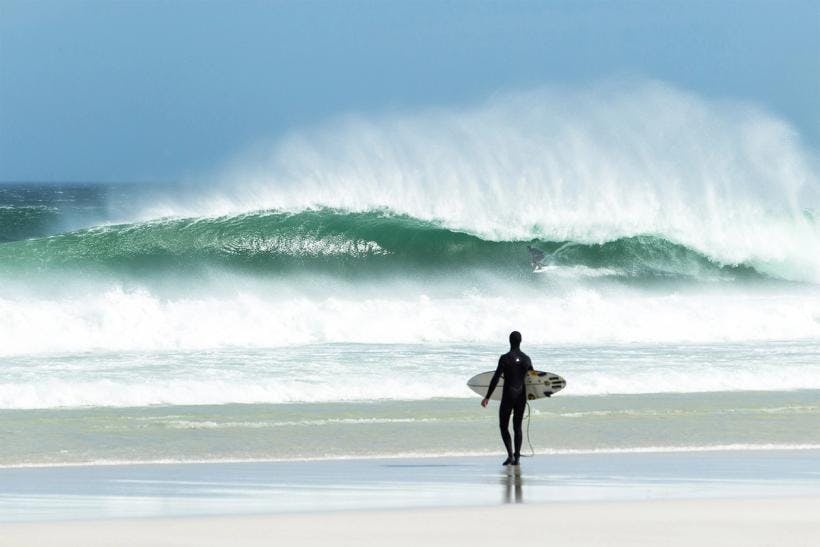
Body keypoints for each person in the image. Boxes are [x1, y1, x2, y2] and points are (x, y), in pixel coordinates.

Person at [482, 331, 533, 466]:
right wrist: (544, 393)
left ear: (509, 341)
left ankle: (510, 455)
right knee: (518, 427)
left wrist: (487, 396)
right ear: (520, 341)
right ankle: (517, 458)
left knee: (503, 426)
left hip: (508, 396)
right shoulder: (527, 359)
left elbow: (496, 377)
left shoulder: (505, 358)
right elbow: (533, 380)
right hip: (521, 396)